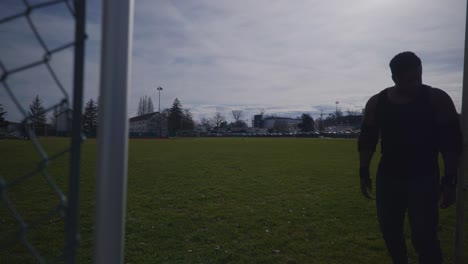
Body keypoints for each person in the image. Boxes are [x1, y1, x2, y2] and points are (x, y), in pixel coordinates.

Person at [357, 51, 462, 264]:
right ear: (394, 78)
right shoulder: (377, 103)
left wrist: (450, 181)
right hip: (389, 177)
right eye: (409, 80)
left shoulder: (436, 99)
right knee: (390, 233)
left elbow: (451, 143)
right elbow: (368, 139)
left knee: (425, 237)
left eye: (418, 77)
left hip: (423, 178)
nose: (416, 84)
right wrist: (363, 171)